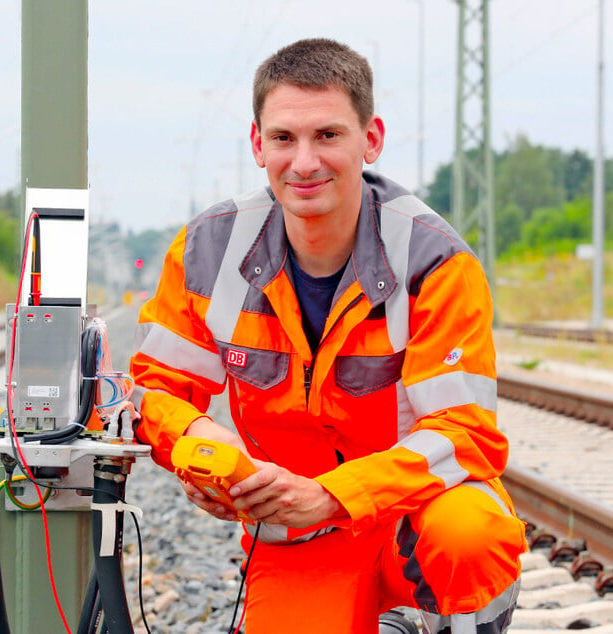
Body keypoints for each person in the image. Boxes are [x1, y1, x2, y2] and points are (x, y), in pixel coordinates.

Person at [129, 38, 526, 634]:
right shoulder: (208, 251)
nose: (305, 162)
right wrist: (200, 454)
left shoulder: (434, 262)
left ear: (371, 139)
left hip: (410, 520)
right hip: (297, 532)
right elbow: (151, 392)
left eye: (329, 136)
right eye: (285, 138)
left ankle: (429, 621)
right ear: (258, 144)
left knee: (471, 532)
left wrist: (338, 494)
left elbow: (464, 432)